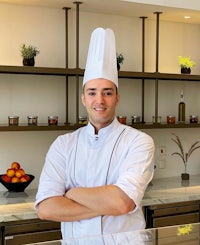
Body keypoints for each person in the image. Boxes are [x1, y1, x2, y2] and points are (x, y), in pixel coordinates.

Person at [35, 27, 155, 240]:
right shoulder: (63, 144)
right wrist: (108, 205)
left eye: (107, 93)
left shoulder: (138, 141)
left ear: (117, 98)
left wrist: (71, 194)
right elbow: (46, 208)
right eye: (92, 93)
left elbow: (122, 202)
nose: (99, 100)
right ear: (83, 98)